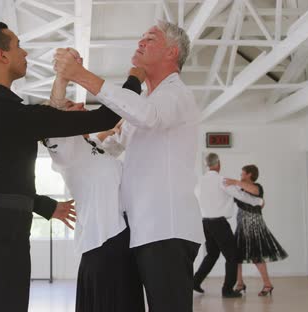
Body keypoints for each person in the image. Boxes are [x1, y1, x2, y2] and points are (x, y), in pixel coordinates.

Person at [0, 22, 129, 312]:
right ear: (2, 56)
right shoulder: (16, 115)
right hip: (2, 237)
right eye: (18, 45)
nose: (24, 53)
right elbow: (105, 119)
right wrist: (136, 78)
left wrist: (49, 207)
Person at [54, 21, 204, 312]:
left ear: (172, 52)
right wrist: (79, 133)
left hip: (167, 229)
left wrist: (81, 76)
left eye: (150, 39)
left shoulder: (176, 95)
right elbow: (113, 142)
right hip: (145, 231)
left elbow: (145, 115)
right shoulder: (148, 101)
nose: (140, 42)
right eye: (141, 37)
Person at [41, 65, 145, 312]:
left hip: (120, 240)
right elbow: (51, 120)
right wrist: (62, 78)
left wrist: (110, 130)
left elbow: (105, 143)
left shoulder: (88, 148)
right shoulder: (66, 151)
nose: (80, 106)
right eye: (70, 105)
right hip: (103, 245)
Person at [192, 153, 264, 298]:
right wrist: (259, 202)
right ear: (218, 164)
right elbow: (241, 196)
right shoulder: (222, 181)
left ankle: (195, 281)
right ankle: (227, 290)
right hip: (219, 223)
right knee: (232, 256)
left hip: (205, 223)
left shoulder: (199, 181)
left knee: (212, 254)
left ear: (207, 165)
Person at [225, 165, 289, 296]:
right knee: (235, 256)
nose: (240, 176)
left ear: (249, 175)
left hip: (254, 226)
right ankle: (240, 283)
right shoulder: (240, 188)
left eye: (242, 174)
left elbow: (255, 192)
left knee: (257, 256)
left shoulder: (257, 186)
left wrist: (236, 182)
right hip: (241, 225)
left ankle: (267, 284)